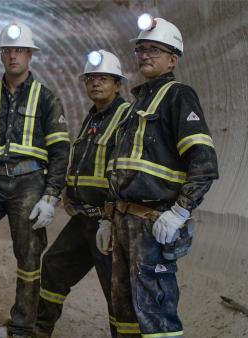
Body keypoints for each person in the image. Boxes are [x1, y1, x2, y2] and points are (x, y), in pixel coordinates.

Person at [105, 15, 219, 337]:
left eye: (155, 49)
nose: (144, 55)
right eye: (141, 49)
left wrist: (180, 212)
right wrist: (107, 215)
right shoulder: (133, 105)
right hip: (124, 221)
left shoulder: (179, 96)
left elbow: (204, 162)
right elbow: (120, 166)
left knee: (155, 313)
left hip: (153, 224)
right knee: (124, 311)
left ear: (173, 59)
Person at [0, 22, 70, 337]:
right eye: (8, 51)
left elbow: (60, 150)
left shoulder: (46, 99)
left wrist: (50, 196)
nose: (13, 56)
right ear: (1, 55)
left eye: (20, 50)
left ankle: (23, 326)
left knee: (28, 255)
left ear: (29, 55)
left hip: (29, 182)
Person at [35, 50, 130, 337]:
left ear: (117, 84)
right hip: (85, 219)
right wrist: (69, 191)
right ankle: (40, 329)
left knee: (116, 288)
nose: (95, 83)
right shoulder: (94, 118)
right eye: (91, 78)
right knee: (54, 265)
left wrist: (111, 216)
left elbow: (125, 169)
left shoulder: (126, 118)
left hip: (109, 221)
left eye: (103, 78)